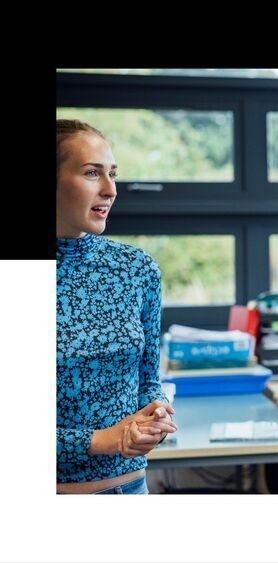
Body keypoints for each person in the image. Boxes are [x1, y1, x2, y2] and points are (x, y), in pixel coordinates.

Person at [56, 119, 178, 494]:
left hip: (131, 489)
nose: (110, 189)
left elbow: (147, 380)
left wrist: (154, 415)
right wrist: (101, 440)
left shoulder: (138, 269)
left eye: (113, 174)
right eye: (92, 173)